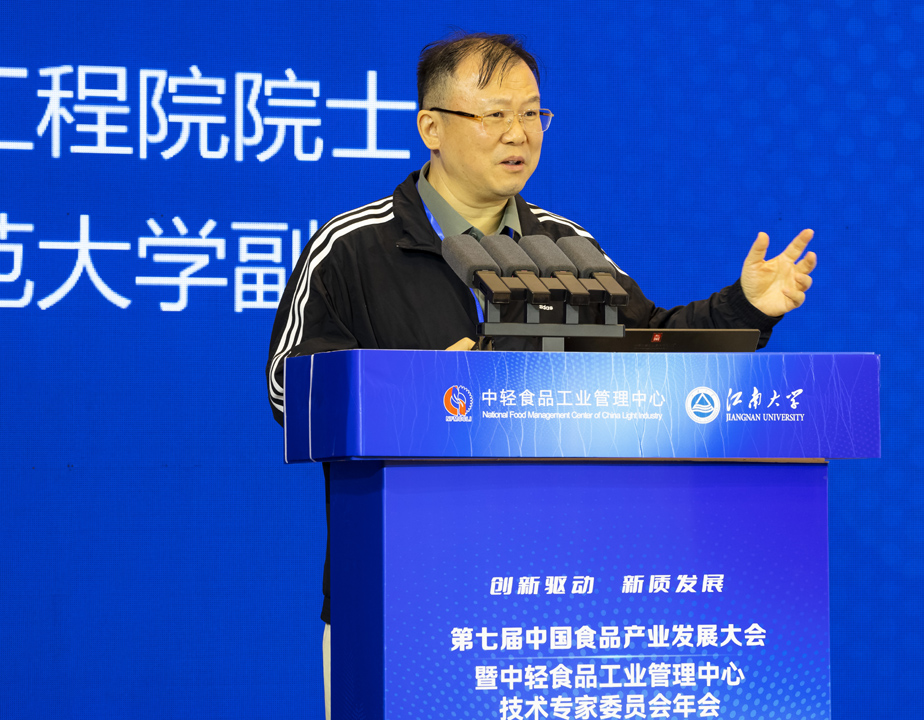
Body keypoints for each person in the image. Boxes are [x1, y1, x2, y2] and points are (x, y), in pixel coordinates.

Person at [265, 32, 817, 719]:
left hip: (552, 599)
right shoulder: (352, 248)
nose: (519, 133)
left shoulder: (566, 249)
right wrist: (419, 390)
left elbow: (653, 349)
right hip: (401, 592)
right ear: (431, 128)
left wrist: (746, 308)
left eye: (532, 113)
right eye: (494, 114)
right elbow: (291, 391)